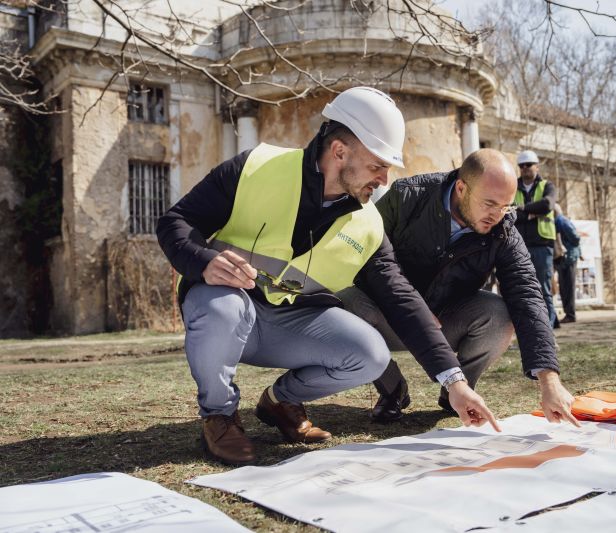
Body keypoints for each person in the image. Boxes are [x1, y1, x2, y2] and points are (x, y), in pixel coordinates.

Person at [156, 87, 499, 466]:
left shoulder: (368, 223)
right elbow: (176, 222)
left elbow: (401, 297)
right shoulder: (255, 168)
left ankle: (280, 402)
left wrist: (455, 382)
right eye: (377, 166)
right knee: (221, 306)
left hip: (290, 327)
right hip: (227, 313)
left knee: (370, 354)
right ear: (339, 151)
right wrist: (202, 260)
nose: (384, 179)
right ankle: (219, 416)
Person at [339, 149, 578, 427]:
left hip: (446, 318)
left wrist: (549, 379)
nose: (497, 216)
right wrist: (415, 307)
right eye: (489, 203)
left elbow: (526, 293)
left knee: (499, 314)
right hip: (390, 314)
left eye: (506, 206)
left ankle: (457, 390)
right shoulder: (407, 197)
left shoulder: (503, 229)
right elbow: (369, 260)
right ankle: (392, 390)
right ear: (462, 188)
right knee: (345, 306)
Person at [514, 150, 558, 327]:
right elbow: (509, 212)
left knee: (543, 290)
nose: (525, 168)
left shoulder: (548, 186)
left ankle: (546, 332)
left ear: (537, 166)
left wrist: (522, 209)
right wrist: (531, 213)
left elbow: (547, 204)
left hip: (542, 245)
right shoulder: (512, 186)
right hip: (518, 247)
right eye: (521, 166)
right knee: (522, 291)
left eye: (528, 165)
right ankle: (527, 330)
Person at [554, 204, 581, 324]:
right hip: (564, 258)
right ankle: (568, 313)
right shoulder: (559, 221)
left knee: (568, 286)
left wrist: (569, 249)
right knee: (564, 286)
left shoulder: (561, 221)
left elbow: (575, 238)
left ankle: (570, 314)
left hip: (568, 258)